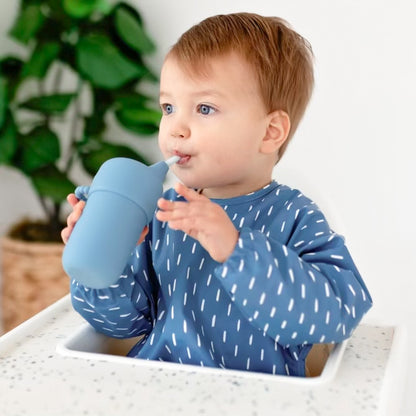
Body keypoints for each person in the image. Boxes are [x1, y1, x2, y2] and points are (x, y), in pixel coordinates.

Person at [61, 12, 372, 377]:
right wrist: (102, 265)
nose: (176, 127)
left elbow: (337, 315)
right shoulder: (162, 212)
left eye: (204, 108)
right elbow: (122, 326)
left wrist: (236, 249)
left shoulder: (294, 216)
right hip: (153, 389)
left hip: (263, 400)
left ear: (271, 132)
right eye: (168, 107)